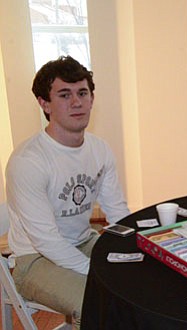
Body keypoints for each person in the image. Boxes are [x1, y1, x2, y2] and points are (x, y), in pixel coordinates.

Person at [5, 56, 130, 328]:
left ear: (92, 98)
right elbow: (46, 241)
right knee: (100, 301)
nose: (77, 102)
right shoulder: (29, 161)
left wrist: (139, 246)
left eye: (82, 93)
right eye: (65, 94)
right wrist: (98, 274)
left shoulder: (99, 149)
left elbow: (118, 211)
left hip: (84, 242)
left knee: (143, 278)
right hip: (34, 259)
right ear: (44, 103)